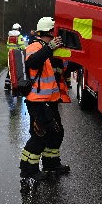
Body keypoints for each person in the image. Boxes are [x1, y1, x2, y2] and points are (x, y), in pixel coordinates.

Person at [19, 16, 72, 181]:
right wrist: (49, 47)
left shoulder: (48, 49)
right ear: (49, 31)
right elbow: (33, 62)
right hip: (37, 101)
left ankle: (51, 164)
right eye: (53, 32)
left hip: (50, 101)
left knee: (56, 133)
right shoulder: (35, 46)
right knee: (39, 136)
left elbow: (62, 67)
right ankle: (28, 169)